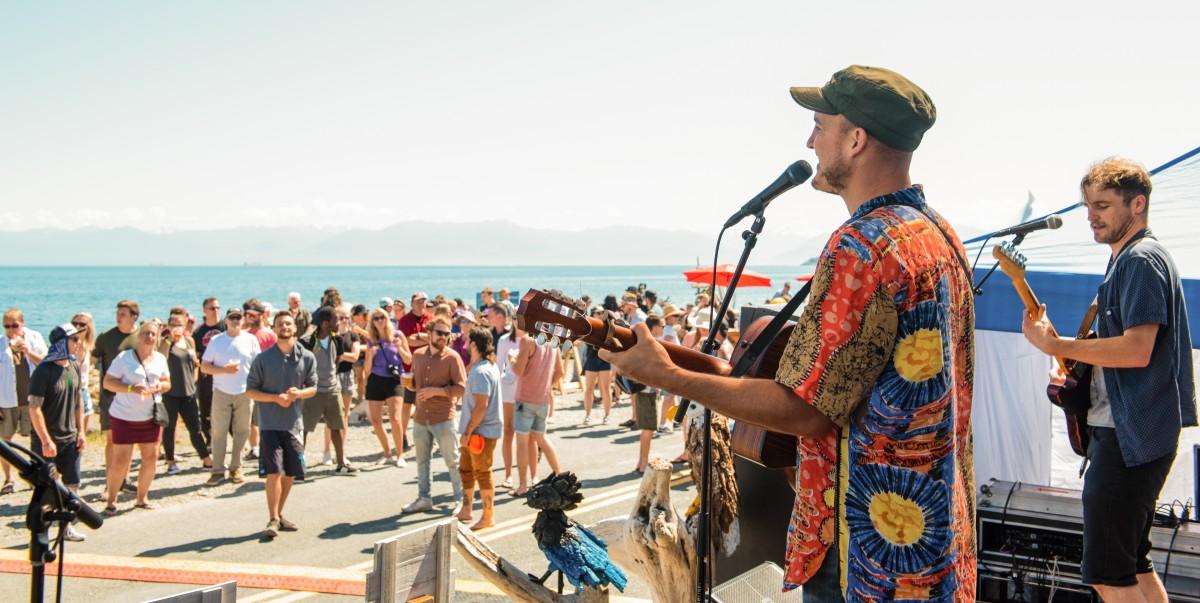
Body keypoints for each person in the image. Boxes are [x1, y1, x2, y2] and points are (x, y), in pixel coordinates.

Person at [602, 66, 975, 601]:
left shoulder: (861, 246)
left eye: (820, 126)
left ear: (856, 139)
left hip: (863, 555)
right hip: (933, 540)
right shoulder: (937, 233)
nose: (810, 141)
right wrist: (674, 361)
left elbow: (803, 409)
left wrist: (664, 376)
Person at [1021, 158, 1196, 603]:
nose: (1091, 215)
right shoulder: (1129, 260)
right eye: (1087, 206)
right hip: (1130, 436)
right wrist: (1071, 357)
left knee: (1106, 576)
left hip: (1129, 439)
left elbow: (1137, 350)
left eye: (1102, 205)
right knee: (1133, 564)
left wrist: (1057, 345)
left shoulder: (1139, 260)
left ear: (1137, 204)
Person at [245, 313, 317, 538]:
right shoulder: (263, 359)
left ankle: (279, 514)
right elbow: (250, 391)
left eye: (288, 323)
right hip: (269, 425)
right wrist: (276, 398)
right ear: (274, 328)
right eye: (279, 324)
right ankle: (273, 518)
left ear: (294, 327)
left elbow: (313, 387)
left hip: (294, 424)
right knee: (274, 472)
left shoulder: (306, 357)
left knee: (291, 473)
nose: (284, 327)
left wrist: (298, 394)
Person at [102, 320, 170, 515]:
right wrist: (131, 388)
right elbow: (108, 382)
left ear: (157, 338)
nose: (149, 337)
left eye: (153, 334)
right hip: (124, 416)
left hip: (150, 416)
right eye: (146, 333)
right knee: (122, 460)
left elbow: (167, 382)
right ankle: (111, 500)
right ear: (138, 336)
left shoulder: (159, 359)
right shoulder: (124, 358)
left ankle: (142, 498)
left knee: (151, 456)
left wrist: (159, 387)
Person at [27, 323, 87, 540]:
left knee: (72, 483)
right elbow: (34, 407)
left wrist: (81, 431)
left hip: (70, 437)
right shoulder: (44, 370)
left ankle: (67, 528)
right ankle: (41, 530)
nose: (79, 343)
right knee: (47, 487)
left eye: (79, 339)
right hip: (47, 439)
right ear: (62, 343)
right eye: (74, 340)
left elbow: (78, 400)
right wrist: (45, 439)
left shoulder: (74, 366)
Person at [404, 316, 466, 514]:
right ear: (429, 333)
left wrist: (437, 391)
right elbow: (415, 383)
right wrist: (409, 383)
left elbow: (462, 388)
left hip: (443, 417)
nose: (443, 337)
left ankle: (460, 499)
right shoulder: (419, 355)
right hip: (421, 416)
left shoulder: (452, 357)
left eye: (447, 334)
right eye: (439, 333)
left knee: (452, 461)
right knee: (422, 462)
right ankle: (424, 498)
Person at [200, 306, 260, 486]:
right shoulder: (216, 341)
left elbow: (258, 365)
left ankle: (236, 467)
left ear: (243, 320)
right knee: (218, 432)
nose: (235, 321)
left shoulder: (250, 339)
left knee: (242, 431)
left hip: (245, 391)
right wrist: (223, 370)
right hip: (221, 392)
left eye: (238, 318)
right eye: (232, 318)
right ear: (226, 321)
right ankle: (217, 470)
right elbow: (204, 366)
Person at [456, 326, 503, 529]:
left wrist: (468, 431)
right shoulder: (483, 367)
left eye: (468, 340)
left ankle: (488, 515)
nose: (464, 342)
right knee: (466, 469)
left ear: (474, 344)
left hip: (481, 431)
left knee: (482, 472)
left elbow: (481, 406)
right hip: (475, 429)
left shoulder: (481, 371)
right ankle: (467, 509)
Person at [300, 306, 356, 474]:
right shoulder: (306, 341)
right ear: (325, 323)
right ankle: (298, 464)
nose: (338, 323)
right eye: (335, 320)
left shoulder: (337, 340)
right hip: (313, 391)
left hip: (333, 390)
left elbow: (337, 361)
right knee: (304, 429)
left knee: (337, 427)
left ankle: (340, 464)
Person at [92, 300, 139, 496]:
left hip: (135, 396)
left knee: (130, 439)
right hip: (111, 395)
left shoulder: (142, 336)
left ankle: (124, 478)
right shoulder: (105, 337)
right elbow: (93, 361)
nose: (118, 316)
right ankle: (110, 482)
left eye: (123, 313)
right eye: (118, 313)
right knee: (112, 439)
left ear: (134, 316)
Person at [512, 322, 564, 496]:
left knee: (521, 443)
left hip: (525, 398)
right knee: (541, 439)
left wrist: (512, 361)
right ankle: (560, 474)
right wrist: (547, 385)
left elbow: (518, 371)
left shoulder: (528, 341)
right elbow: (560, 372)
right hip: (542, 399)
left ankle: (522, 486)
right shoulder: (552, 342)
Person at [1, 308, 48, 494]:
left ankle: (36, 476)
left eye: (14, 325)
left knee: (36, 439)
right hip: (6, 400)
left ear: (22, 323)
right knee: (5, 441)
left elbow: (45, 364)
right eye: (7, 326)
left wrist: (27, 351)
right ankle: (9, 479)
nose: (11, 330)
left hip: (32, 399)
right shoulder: (1, 343)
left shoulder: (34, 338)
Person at [161, 314, 211, 474]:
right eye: (173, 324)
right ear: (168, 325)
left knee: (195, 427)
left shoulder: (189, 341)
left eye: (180, 324)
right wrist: (169, 339)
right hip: (170, 393)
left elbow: (194, 362)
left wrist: (194, 379)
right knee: (169, 428)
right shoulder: (165, 342)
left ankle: (205, 458)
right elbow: (161, 358)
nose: (177, 327)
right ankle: (170, 461)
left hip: (188, 392)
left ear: (185, 326)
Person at [363, 308, 411, 465]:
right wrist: (369, 355)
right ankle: (387, 452)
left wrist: (400, 348)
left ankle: (400, 455)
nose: (379, 321)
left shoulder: (397, 335)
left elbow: (408, 360)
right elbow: (367, 370)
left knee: (395, 418)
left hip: (394, 380)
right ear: (372, 322)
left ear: (387, 318)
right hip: (376, 380)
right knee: (376, 421)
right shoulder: (371, 340)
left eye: (382, 317)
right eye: (375, 318)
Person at [327, 304, 362, 464]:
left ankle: (341, 451)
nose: (344, 320)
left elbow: (354, 357)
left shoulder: (353, 336)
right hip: (331, 376)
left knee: (345, 415)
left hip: (347, 375)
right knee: (330, 416)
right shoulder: (329, 335)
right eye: (341, 317)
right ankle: (327, 450)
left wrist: (339, 355)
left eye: (346, 317)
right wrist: (341, 356)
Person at [243, 299, 276, 461]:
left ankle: (265, 447)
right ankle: (254, 448)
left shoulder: (270, 335)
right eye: (248, 314)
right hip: (248, 380)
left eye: (253, 315)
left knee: (263, 416)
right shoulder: (245, 334)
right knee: (251, 418)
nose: (249, 317)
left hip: (266, 381)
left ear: (261, 316)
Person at [193, 297, 225, 451]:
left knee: (228, 408)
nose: (216, 310)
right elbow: (196, 353)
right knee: (206, 409)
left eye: (218, 307)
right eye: (212, 308)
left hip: (225, 374)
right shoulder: (199, 332)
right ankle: (210, 439)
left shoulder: (225, 326)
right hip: (206, 376)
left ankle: (232, 437)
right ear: (204, 311)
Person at [581, 307, 614, 426]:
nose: (600, 315)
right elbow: (583, 340)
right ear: (593, 314)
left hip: (605, 359)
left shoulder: (607, 327)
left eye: (602, 313)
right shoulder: (588, 327)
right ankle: (587, 415)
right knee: (588, 389)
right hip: (592, 359)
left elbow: (611, 341)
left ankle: (607, 416)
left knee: (605, 388)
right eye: (597, 313)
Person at [69, 312, 97, 436]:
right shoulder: (67, 345)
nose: (78, 327)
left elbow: (90, 365)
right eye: (75, 323)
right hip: (69, 390)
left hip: (83, 390)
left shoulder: (88, 346)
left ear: (89, 327)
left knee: (82, 434)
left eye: (82, 324)